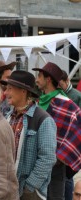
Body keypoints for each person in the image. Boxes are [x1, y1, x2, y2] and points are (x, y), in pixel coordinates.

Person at [1, 71, 57, 199]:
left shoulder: (43, 119)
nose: (5, 93)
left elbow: (47, 158)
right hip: (7, 188)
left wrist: (30, 187)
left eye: (10, 89)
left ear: (23, 91)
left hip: (29, 193)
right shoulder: (8, 116)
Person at [33, 62, 81, 200]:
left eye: (40, 76)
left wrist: (60, 157)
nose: (37, 80)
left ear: (48, 79)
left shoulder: (66, 104)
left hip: (55, 167)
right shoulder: (38, 101)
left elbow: (78, 129)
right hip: (35, 164)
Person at [59, 70, 81, 200]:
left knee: (69, 177)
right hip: (63, 142)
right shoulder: (60, 96)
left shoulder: (76, 96)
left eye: (60, 84)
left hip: (73, 142)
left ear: (67, 80)